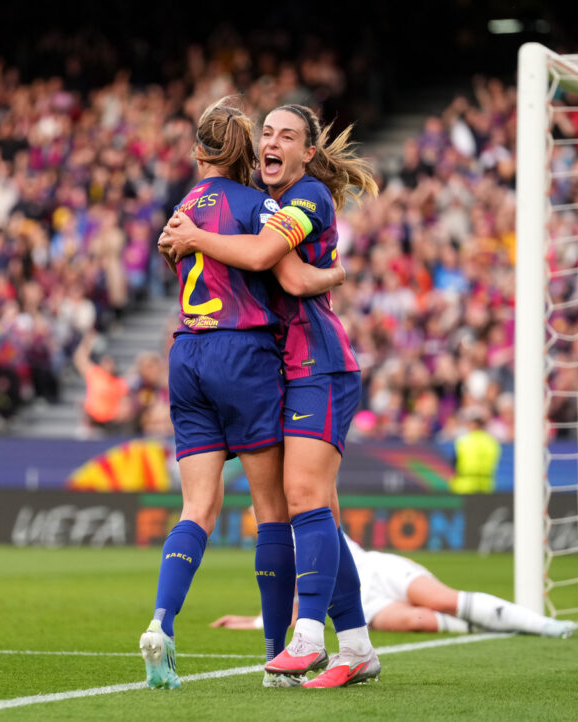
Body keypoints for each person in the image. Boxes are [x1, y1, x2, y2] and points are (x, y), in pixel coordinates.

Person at [160, 103, 381, 688]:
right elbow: (282, 274)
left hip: (319, 363)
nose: (272, 142)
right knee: (319, 514)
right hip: (284, 366)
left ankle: (307, 638)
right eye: (266, 133)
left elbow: (274, 267)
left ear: (308, 152)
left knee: (301, 494)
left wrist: (195, 235)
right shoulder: (257, 202)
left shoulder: (308, 195)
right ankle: (356, 647)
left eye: (287, 135)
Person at [212, 532, 576, 638]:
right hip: (360, 602)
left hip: (374, 570)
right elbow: (296, 603)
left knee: (442, 600)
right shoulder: (274, 545)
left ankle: (541, 625)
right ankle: (495, 627)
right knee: (412, 622)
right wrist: (254, 621)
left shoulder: (304, 507)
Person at [450, 408, 501, 494]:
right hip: (486, 485)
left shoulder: (463, 441)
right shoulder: (492, 442)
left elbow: (454, 462)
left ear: (471, 424)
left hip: (465, 485)